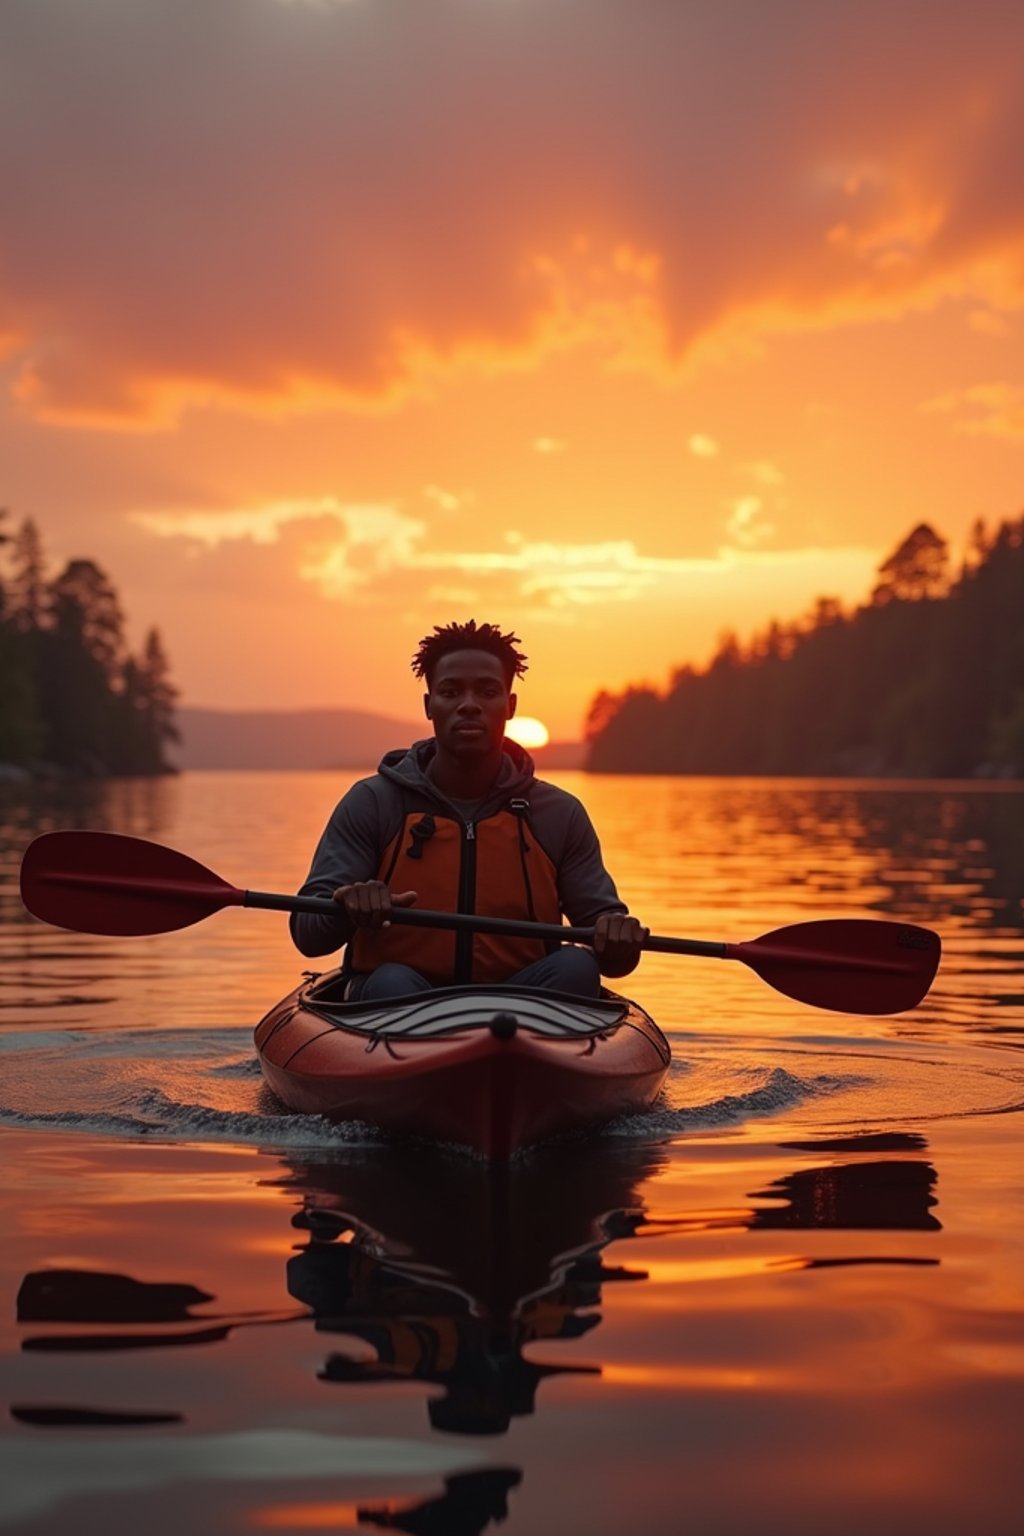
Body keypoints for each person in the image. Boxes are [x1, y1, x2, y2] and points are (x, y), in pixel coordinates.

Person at [290, 620, 647, 999]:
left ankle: (518, 1046)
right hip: (398, 998)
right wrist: (344, 905)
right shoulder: (374, 803)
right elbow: (308, 934)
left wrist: (618, 934)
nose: (469, 705)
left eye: (487, 692)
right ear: (430, 706)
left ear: (509, 706)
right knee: (391, 982)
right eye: (450, 691)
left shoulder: (558, 814)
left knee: (576, 967)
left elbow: (614, 957)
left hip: (523, 1001)